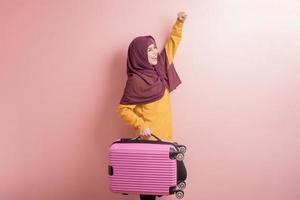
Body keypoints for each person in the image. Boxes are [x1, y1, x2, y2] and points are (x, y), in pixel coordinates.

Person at [116, 12, 188, 200]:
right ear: (139, 55)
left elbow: (172, 45)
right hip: (148, 144)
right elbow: (123, 109)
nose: (155, 52)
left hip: (166, 139)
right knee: (148, 191)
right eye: (149, 50)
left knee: (179, 176)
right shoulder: (135, 81)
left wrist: (179, 23)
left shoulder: (160, 70)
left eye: (154, 48)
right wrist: (141, 126)